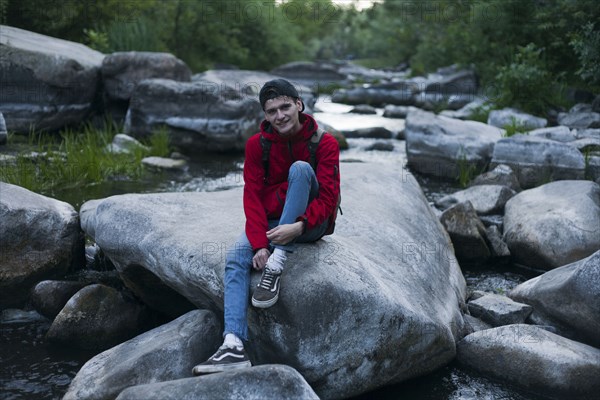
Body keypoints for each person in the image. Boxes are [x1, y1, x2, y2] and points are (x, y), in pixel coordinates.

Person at [192, 78, 340, 375]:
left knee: (300, 169)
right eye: (272, 111)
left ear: (299, 104)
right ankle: (233, 344)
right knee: (236, 257)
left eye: (285, 107)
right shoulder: (256, 145)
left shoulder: (324, 143)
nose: (280, 116)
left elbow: (328, 197)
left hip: (310, 224)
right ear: (265, 114)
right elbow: (252, 198)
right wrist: (259, 243)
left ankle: (277, 264)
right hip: (273, 223)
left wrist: (296, 229)